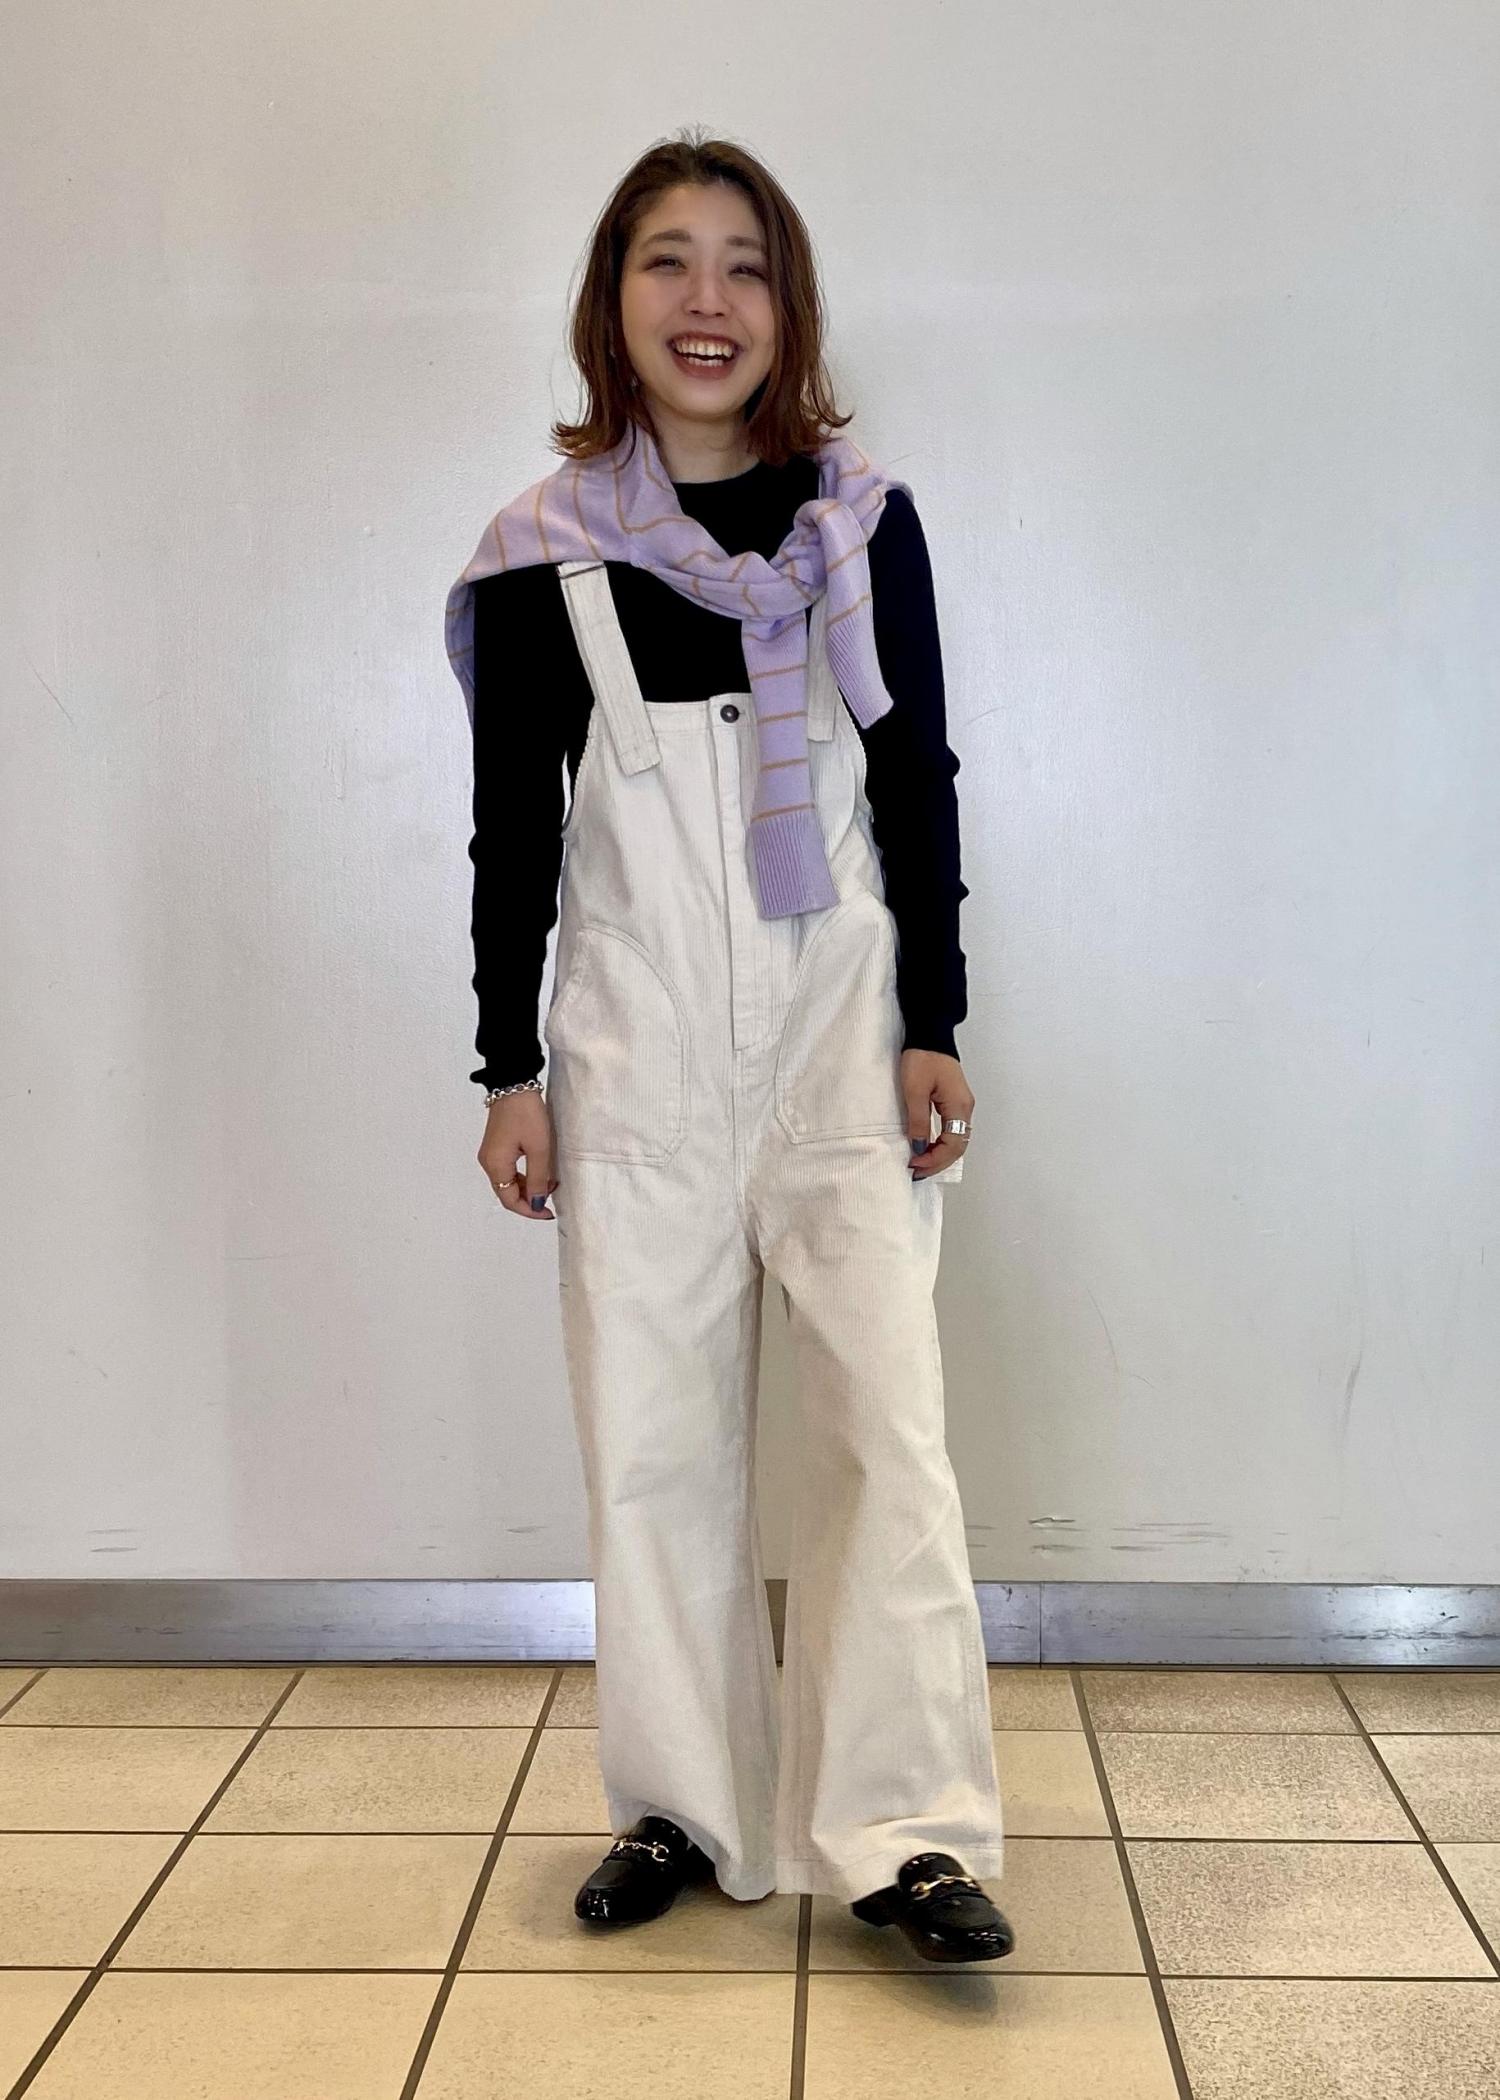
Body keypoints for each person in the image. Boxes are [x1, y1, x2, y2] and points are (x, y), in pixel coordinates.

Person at [445, 130, 1012, 1966]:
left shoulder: (862, 523)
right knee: (653, 1443)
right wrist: (506, 1066)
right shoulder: (541, 558)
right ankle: (683, 1809)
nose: (710, 301)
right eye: (668, 261)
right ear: (612, 303)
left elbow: (915, 777)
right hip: (638, 1047)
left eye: (746, 264)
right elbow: (513, 833)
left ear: (790, 308)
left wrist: (934, 1019)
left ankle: (905, 1836)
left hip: (843, 1027)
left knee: (884, 1439)